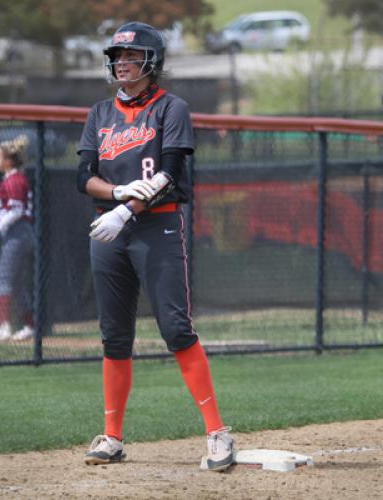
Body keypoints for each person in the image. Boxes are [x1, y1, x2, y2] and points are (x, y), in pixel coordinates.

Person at [76, 21, 234, 471]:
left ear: (151, 62)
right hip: (109, 230)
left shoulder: (172, 108)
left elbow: (169, 174)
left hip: (156, 228)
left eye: (131, 56)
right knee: (114, 337)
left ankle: (217, 433)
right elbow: (84, 178)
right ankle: (111, 438)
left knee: (175, 329)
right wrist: (117, 198)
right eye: (117, 57)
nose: (122, 63)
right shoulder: (99, 115)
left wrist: (128, 206)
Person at [0, 134, 35, 344]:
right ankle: (30, 326)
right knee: (15, 282)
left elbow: (16, 210)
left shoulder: (14, 179)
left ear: (8, 160)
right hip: (19, 233)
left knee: (2, 278)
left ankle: (3, 326)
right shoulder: (13, 178)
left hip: (17, 232)